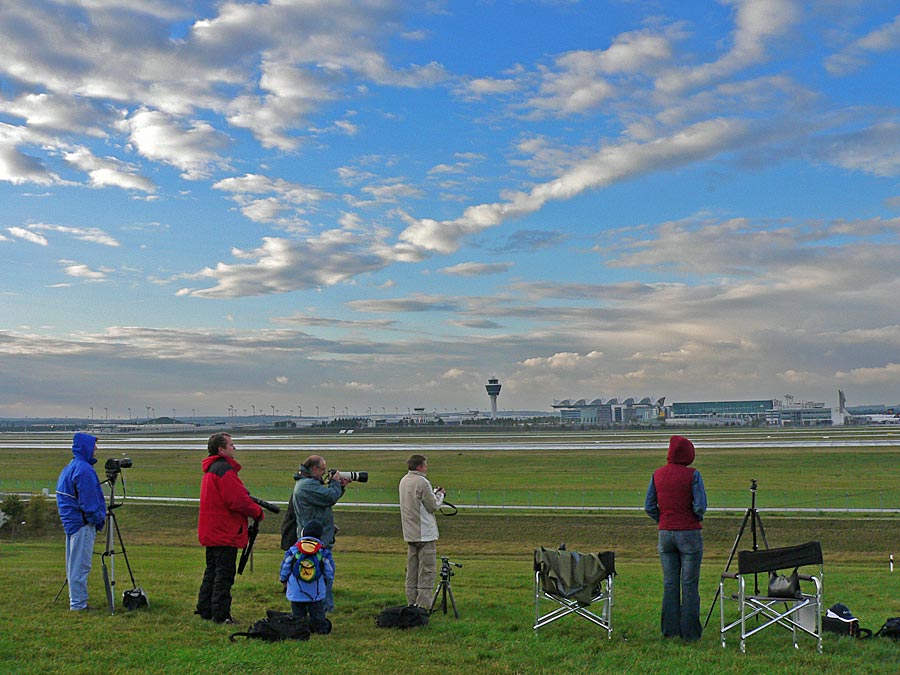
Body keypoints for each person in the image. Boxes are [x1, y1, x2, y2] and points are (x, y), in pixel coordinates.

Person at [196, 432, 264, 624]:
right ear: (221, 449)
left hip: (212, 531)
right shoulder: (224, 471)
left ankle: (205, 609)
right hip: (225, 531)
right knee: (223, 576)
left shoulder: (211, 469)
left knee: (212, 572)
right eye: (231, 445)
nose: (234, 448)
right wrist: (257, 512)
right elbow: (237, 500)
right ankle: (221, 615)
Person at [644, 435, 708, 641]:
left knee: (670, 583)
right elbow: (700, 506)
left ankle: (669, 630)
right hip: (689, 532)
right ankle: (690, 633)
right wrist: (693, 518)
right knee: (689, 584)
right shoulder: (693, 475)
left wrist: (663, 519)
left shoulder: (657, 474)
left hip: (665, 533)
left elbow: (649, 506)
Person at [55, 432, 107, 611]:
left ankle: (76, 600)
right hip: (82, 523)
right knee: (81, 564)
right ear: (86, 447)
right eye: (94, 446)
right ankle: (78, 604)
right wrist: (98, 519)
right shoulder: (84, 470)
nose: (96, 449)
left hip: (72, 522)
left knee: (74, 563)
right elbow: (89, 501)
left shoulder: (71, 466)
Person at [293, 455, 349, 613]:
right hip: (315, 540)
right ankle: (323, 610)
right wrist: (335, 483)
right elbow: (329, 497)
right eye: (323, 469)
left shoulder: (307, 484)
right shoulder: (306, 486)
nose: (325, 472)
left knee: (323, 573)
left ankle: (320, 609)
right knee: (324, 574)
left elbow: (324, 500)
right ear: (314, 469)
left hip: (318, 538)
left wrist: (340, 487)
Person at [398, 454, 445, 608]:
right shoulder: (422, 482)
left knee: (412, 572)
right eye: (425, 465)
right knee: (427, 572)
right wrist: (439, 495)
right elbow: (433, 506)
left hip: (410, 533)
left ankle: (411, 604)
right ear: (419, 467)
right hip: (425, 534)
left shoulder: (404, 480)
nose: (426, 468)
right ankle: (423, 607)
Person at [279, 519, 333, 634]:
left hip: (296, 590)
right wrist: (327, 581)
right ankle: (321, 630)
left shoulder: (294, 549)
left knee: (298, 614)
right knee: (317, 613)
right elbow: (329, 570)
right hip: (316, 591)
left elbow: (286, 566)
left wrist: (283, 579)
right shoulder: (322, 551)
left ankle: (300, 629)